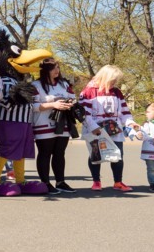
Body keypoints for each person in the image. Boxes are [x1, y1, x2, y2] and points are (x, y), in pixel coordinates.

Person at [79, 65, 140, 191]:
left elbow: (124, 111)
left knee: (118, 155)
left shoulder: (117, 92)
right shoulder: (88, 91)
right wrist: (93, 127)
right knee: (96, 155)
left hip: (114, 128)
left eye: (116, 80)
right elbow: (84, 113)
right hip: (96, 129)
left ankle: (118, 182)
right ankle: (96, 182)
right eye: (113, 79)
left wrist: (130, 123)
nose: (115, 82)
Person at [31, 58, 77, 194]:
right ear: (45, 70)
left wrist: (70, 104)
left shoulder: (64, 84)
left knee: (59, 153)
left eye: (58, 67)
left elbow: (73, 98)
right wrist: (53, 104)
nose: (57, 70)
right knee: (45, 153)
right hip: (43, 124)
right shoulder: (36, 85)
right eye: (53, 68)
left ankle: (60, 182)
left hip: (63, 123)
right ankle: (45, 183)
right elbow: (32, 106)